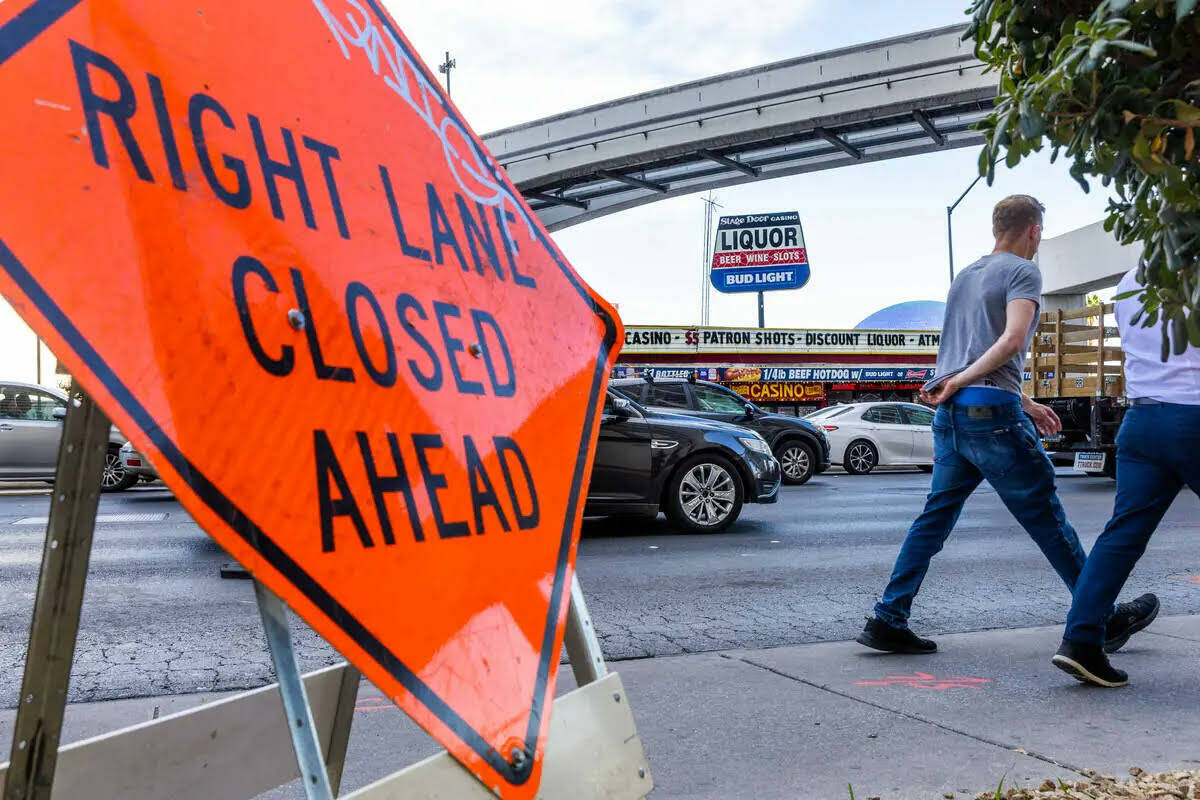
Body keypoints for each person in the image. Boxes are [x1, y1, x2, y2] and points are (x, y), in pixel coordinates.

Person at [856, 194, 1158, 655]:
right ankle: (1103, 620)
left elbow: (971, 353)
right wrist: (980, 387)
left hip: (953, 415)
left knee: (933, 519)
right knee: (1048, 520)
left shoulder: (966, 276)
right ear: (1034, 231)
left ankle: (888, 617)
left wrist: (1026, 401)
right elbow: (1012, 339)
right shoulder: (1024, 271)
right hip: (989, 417)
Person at [1052, 268, 1200, 686]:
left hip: (1141, 420)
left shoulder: (1130, 282)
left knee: (1121, 536)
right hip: (1193, 415)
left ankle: (1080, 641)